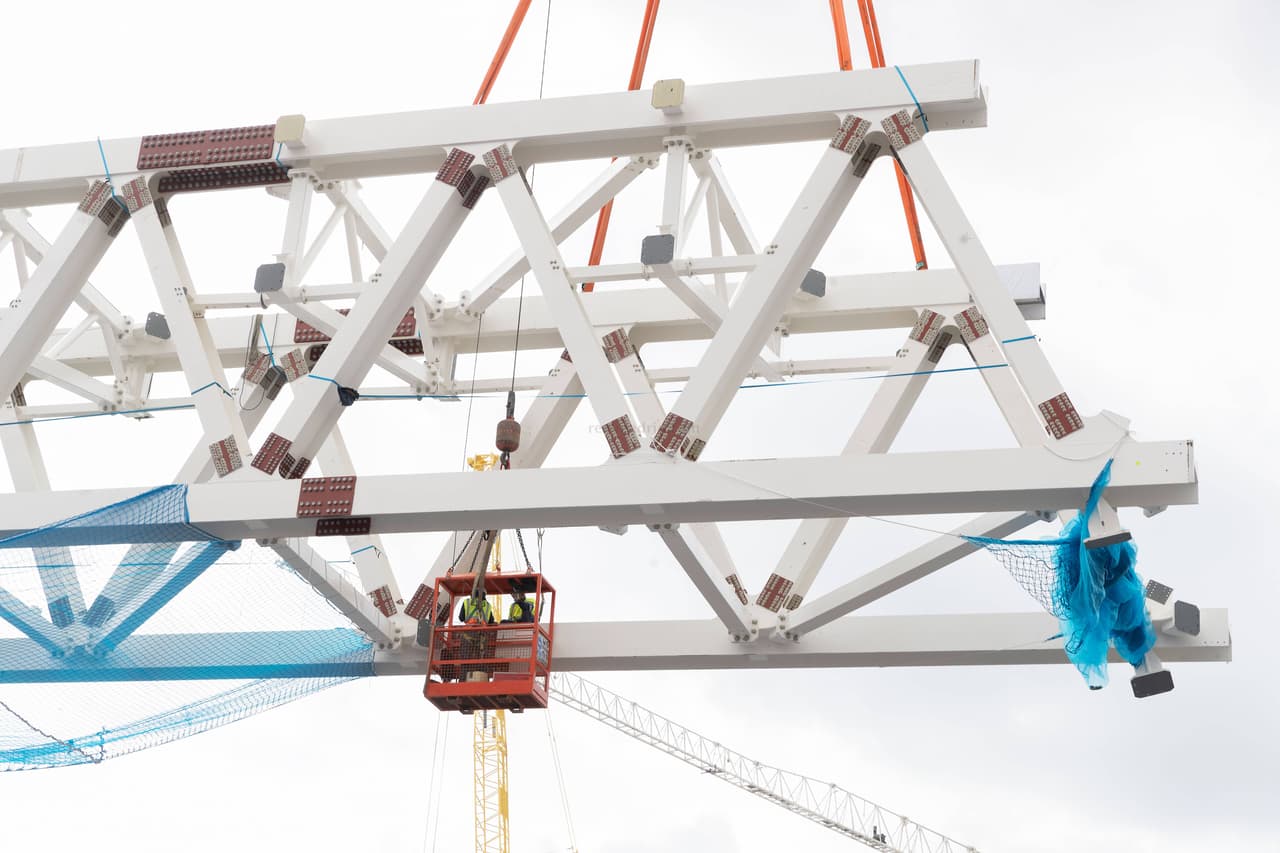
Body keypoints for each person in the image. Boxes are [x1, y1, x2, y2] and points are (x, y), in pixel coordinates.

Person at [457, 589, 496, 681]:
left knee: (465, 657)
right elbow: (491, 621)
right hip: (482, 634)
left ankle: (463, 680)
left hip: (468, 633)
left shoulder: (467, 602)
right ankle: (482, 679)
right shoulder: (487, 605)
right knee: (482, 658)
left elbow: (461, 618)